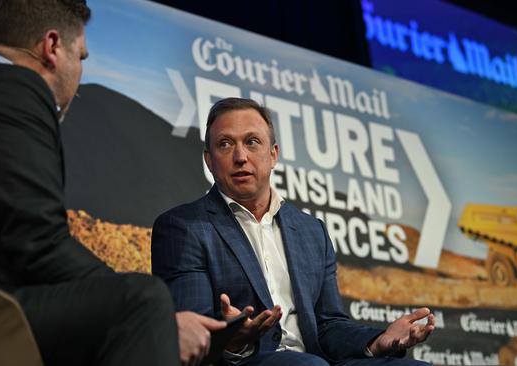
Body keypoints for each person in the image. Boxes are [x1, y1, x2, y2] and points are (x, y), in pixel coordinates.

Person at [0, 1, 223, 365]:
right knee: (142, 298)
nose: (80, 71)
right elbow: (39, 243)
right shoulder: (14, 89)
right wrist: (159, 320)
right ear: (52, 47)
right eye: (81, 57)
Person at [152, 97, 435, 365]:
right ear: (209, 160)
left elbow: (328, 326)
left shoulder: (312, 231)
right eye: (225, 144)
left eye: (252, 142)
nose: (240, 156)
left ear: (273, 154)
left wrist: (378, 340)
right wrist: (233, 340)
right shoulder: (183, 227)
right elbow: (191, 338)